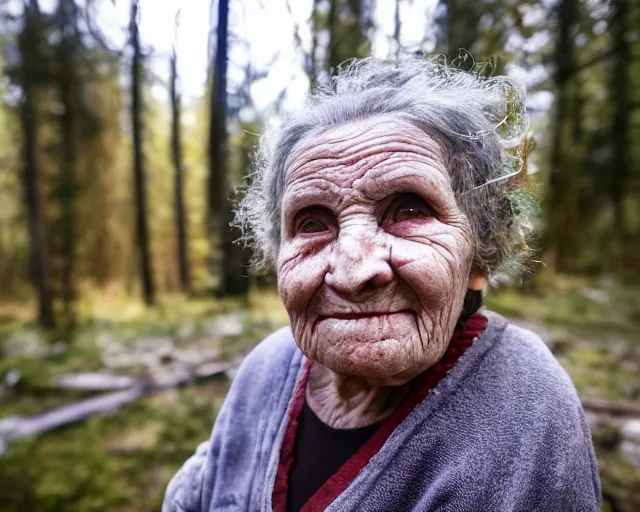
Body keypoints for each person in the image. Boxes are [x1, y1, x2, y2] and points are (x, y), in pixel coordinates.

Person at [163, 57, 601, 512]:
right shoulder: (269, 366)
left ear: (480, 251)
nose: (353, 274)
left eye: (409, 210)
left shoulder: (526, 411)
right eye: (313, 222)